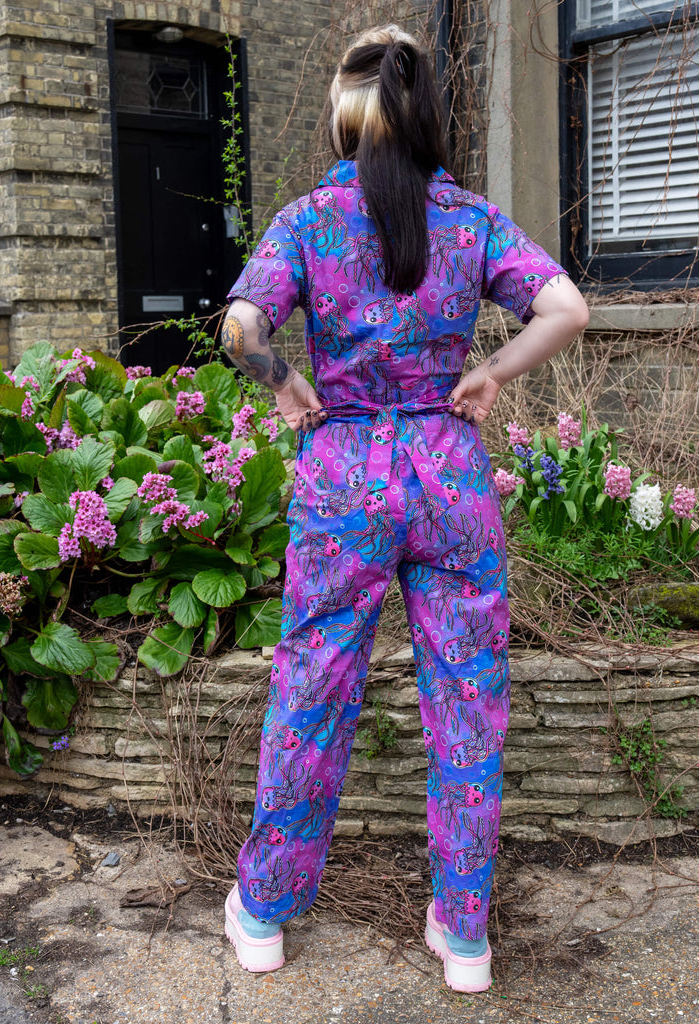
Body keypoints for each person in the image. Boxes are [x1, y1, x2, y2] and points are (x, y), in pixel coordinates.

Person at [219, 24, 588, 993]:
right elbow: (567, 307)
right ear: (425, 112)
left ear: (345, 113)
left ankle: (262, 911)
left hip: (343, 474)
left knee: (312, 689)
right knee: (468, 698)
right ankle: (464, 933)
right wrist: (492, 371)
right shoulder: (469, 223)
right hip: (448, 469)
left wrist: (285, 382)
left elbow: (241, 327)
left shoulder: (306, 222)